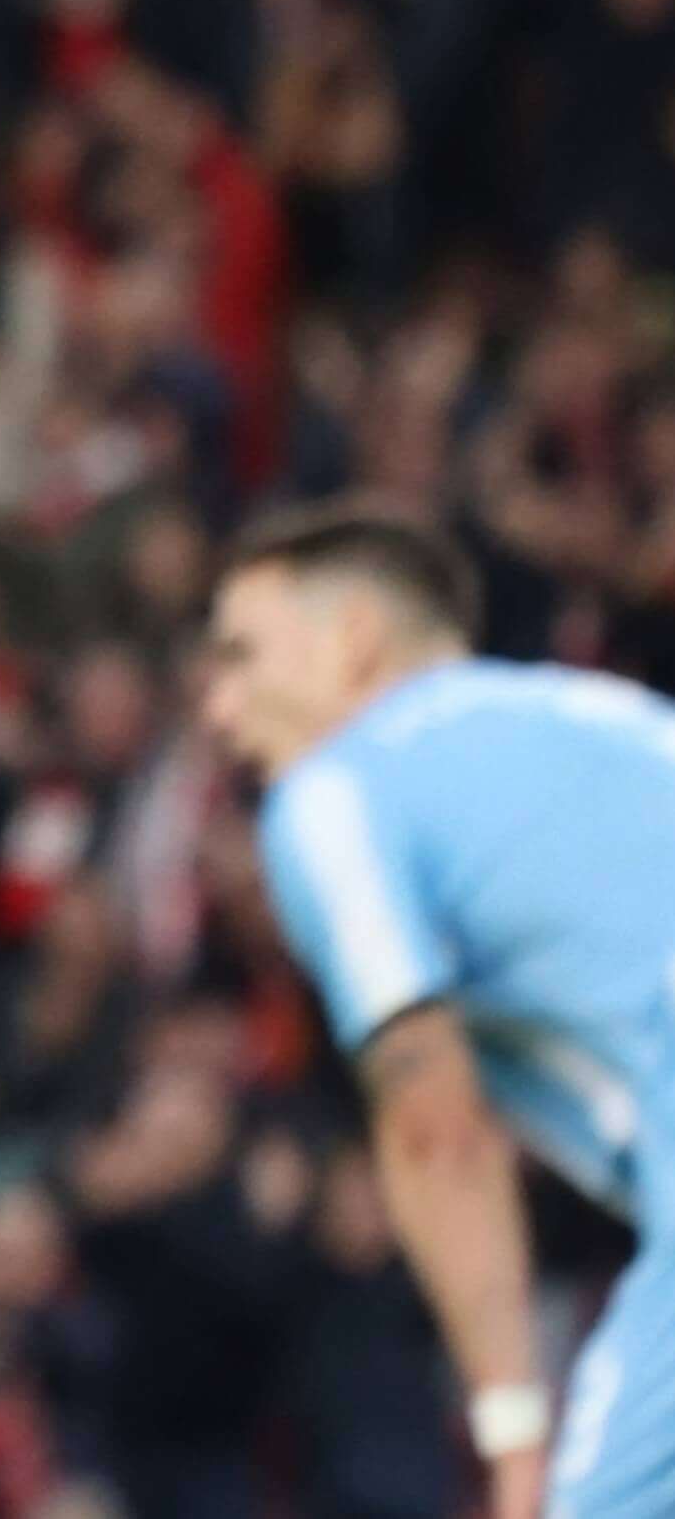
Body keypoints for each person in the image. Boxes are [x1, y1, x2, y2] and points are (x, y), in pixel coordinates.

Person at [201, 498, 675, 1519]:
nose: (219, 710)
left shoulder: (332, 795)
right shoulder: (599, 713)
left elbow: (436, 1132)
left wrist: (510, 1439)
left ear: (352, 640)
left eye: (241, 657)